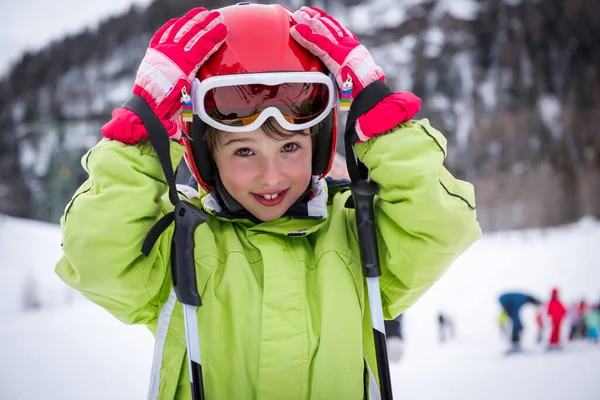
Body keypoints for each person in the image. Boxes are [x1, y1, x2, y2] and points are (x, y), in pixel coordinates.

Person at [55, 4, 481, 399]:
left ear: (317, 146)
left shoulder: (360, 236)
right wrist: (143, 131)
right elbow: (96, 253)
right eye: (244, 151)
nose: (272, 176)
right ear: (205, 155)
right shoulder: (177, 247)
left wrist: (381, 115)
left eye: (290, 148)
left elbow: (440, 225)